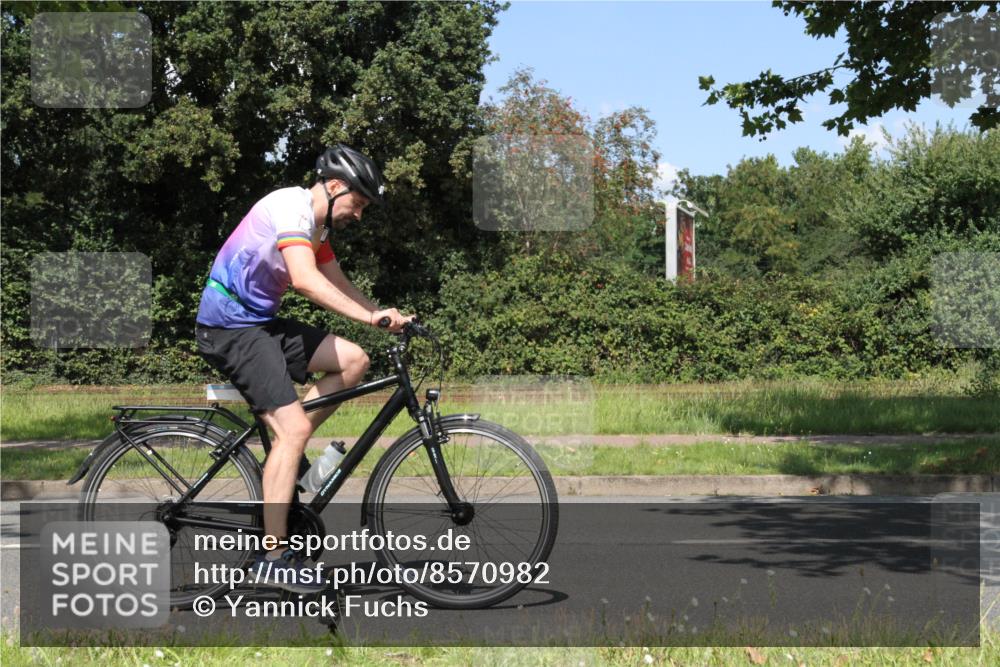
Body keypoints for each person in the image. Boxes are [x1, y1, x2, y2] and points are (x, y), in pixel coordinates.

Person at [195, 144, 412, 592]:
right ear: (334, 186)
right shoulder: (290, 208)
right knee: (293, 431)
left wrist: (380, 312)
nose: (359, 215)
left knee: (354, 360)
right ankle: (273, 558)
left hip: (259, 323)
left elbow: (336, 279)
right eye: (358, 203)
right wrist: (370, 319)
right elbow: (306, 280)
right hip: (229, 328)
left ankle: (286, 453)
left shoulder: (317, 227)